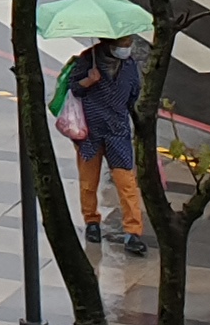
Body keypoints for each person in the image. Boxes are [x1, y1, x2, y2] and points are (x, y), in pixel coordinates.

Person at [59, 37, 148, 254]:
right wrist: (88, 81)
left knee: (127, 183)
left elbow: (134, 95)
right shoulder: (88, 60)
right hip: (91, 132)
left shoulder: (130, 65)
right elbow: (73, 87)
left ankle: (133, 232)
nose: (126, 49)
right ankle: (91, 221)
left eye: (128, 45)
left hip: (118, 132)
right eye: (123, 45)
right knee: (88, 182)